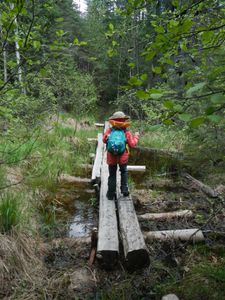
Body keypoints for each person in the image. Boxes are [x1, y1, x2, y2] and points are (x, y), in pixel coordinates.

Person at [103, 111, 140, 200]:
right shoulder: (126, 132)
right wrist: (136, 136)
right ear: (124, 120)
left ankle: (110, 194)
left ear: (113, 121)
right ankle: (124, 191)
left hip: (111, 157)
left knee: (112, 175)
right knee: (123, 172)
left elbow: (104, 140)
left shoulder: (109, 131)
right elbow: (132, 144)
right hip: (123, 158)